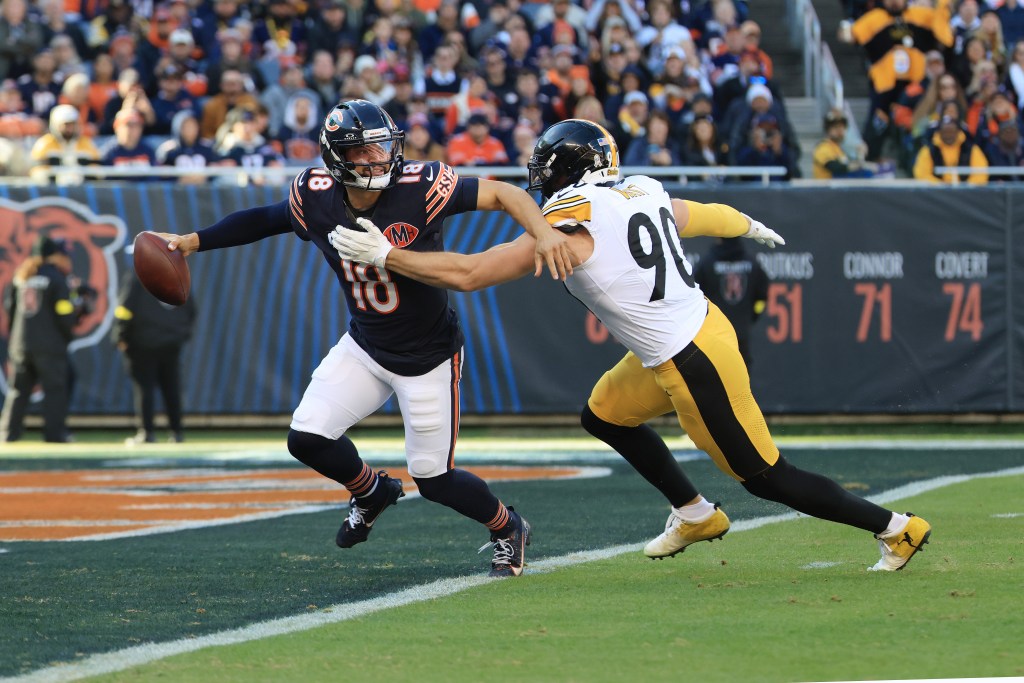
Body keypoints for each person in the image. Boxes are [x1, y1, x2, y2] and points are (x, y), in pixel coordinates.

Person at [331, 118, 934, 573]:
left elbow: (468, 273)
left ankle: (895, 528)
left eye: (547, 167)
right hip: (684, 337)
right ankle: (695, 513)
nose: (540, 178)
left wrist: (388, 255)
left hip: (693, 357)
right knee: (604, 414)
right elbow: (702, 213)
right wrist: (747, 224)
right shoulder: (639, 188)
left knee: (766, 476)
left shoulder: (573, 219)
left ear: (566, 170)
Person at [153, 99, 575, 578]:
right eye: (363, 152)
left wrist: (542, 232)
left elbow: (504, 195)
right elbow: (265, 219)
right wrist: (195, 240)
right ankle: (371, 490)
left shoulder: (421, 187)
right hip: (367, 345)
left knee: (435, 480)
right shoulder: (314, 196)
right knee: (307, 438)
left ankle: (507, 525)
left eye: (382, 147)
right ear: (336, 160)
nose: (378, 159)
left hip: (428, 355)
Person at [1, 235, 93, 443]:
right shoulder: (56, 278)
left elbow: (11, 310)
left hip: (21, 345)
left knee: (18, 391)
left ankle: (8, 433)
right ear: (53, 256)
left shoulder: (21, 277)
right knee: (55, 391)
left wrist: (17, 339)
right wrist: (71, 325)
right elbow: (64, 313)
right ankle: (55, 434)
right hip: (49, 347)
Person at [113, 266, 197, 445]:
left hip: (142, 342)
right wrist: (181, 334)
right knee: (171, 387)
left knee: (145, 388)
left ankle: (147, 433)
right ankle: (176, 433)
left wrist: (120, 335)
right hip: (171, 342)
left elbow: (125, 309)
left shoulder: (138, 277)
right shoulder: (178, 277)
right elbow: (191, 310)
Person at [693, 238, 768, 369]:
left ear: (718, 236)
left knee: (715, 380)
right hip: (741, 334)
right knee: (742, 380)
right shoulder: (752, 263)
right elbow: (761, 297)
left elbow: (693, 295)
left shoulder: (707, 263)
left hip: (714, 335)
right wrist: (751, 316)